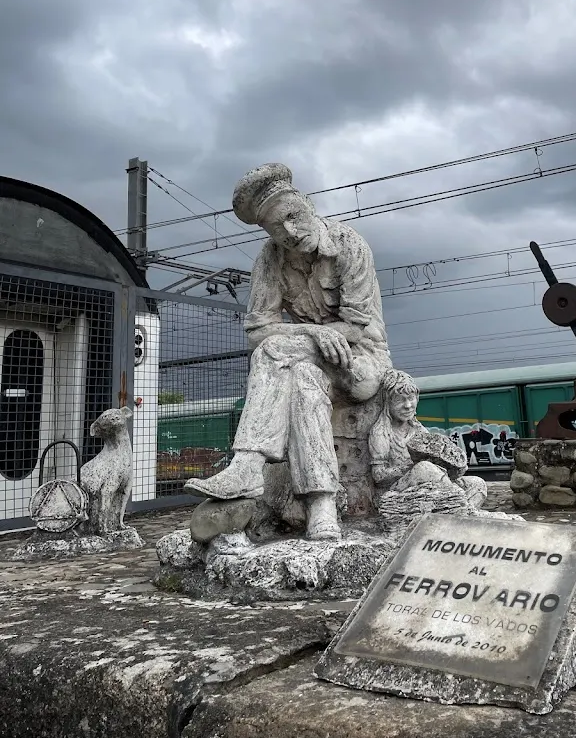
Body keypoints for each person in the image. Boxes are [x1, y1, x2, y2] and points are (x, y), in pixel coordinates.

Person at [184, 164, 392, 541]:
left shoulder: (349, 245)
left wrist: (321, 336)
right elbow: (256, 330)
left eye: (294, 218)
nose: (291, 233)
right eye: (279, 230)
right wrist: (313, 332)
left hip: (360, 364)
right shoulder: (270, 259)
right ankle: (322, 506)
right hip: (309, 362)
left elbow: (358, 326)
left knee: (277, 349)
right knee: (304, 379)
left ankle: (248, 463)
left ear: (308, 205)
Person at [368, 369, 486, 509]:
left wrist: (452, 465)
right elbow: (378, 475)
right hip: (395, 489)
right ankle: (457, 502)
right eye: (400, 400)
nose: (408, 405)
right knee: (424, 468)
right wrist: (413, 468)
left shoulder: (419, 429)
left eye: (411, 398)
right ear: (388, 402)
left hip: (429, 481)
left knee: (477, 483)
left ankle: (462, 511)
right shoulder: (381, 432)